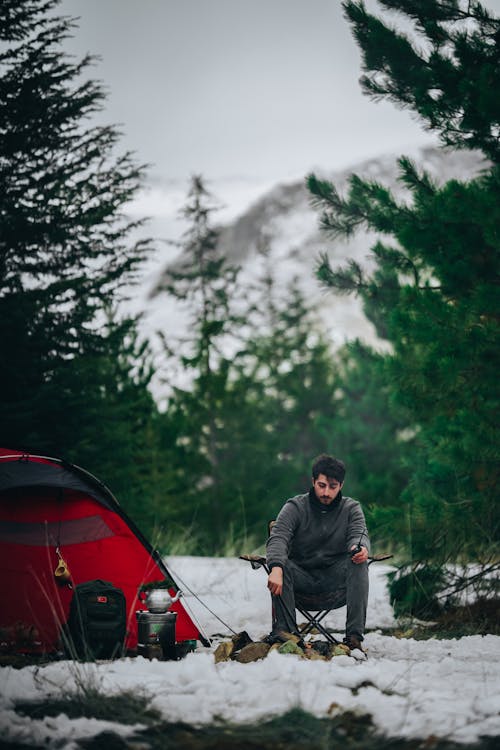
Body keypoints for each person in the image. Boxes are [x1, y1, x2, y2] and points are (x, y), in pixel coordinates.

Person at [265, 453, 369, 651]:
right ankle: (287, 636)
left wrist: (360, 548)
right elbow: (278, 538)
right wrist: (276, 567)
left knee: (359, 562)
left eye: (333, 487)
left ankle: (354, 638)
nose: (326, 493)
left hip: (335, 583)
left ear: (341, 486)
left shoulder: (352, 508)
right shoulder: (295, 506)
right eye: (321, 485)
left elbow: (359, 534)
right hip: (300, 581)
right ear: (313, 481)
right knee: (282, 564)